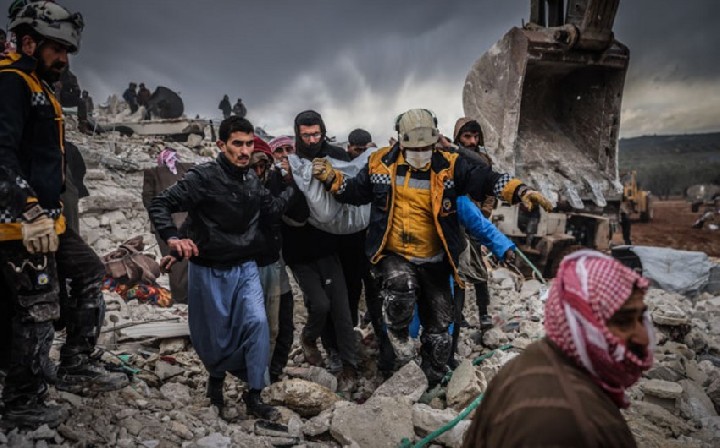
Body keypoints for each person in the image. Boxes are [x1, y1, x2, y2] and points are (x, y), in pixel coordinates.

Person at [312, 108, 552, 385]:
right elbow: (355, 192)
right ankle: (397, 338)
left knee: (440, 330)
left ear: (435, 141)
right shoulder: (380, 165)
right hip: (395, 254)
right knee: (400, 285)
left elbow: (486, 179)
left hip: (435, 259)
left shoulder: (450, 166)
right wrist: (332, 179)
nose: (421, 153)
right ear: (401, 142)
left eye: (426, 148)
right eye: (415, 148)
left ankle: (432, 379)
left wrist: (520, 190)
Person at [0, 1, 128, 428]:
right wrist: (28, 207)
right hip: (19, 225)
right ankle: (22, 400)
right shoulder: (11, 82)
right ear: (29, 42)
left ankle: (76, 362)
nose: (64, 59)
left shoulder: (38, 84)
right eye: (57, 49)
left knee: (89, 271)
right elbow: (1, 154)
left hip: (48, 221)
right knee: (38, 306)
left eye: (67, 51)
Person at [148, 116, 293, 420]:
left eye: (249, 144)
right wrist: (174, 241)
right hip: (208, 269)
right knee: (214, 335)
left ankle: (254, 393)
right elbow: (162, 204)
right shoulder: (203, 177)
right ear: (221, 145)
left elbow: (273, 211)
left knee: (257, 323)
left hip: (245, 267)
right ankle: (216, 379)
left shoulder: (252, 181)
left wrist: (294, 185)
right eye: (237, 144)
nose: (244, 150)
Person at [462, 251, 653, 447]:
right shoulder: (569, 425)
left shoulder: (534, 359)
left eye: (641, 319)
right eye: (623, 322)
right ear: (579, 323)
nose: (643, 337)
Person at [282, 110, 359, 392]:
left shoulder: (336, 156)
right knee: (320, 305)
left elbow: (352, 189)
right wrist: (290, 180)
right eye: (306, 135)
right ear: (298, 134)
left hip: (332, 245)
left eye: (316, 134)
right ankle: (326, 348)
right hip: (299, 249)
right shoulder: (290, 162)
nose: (312, 140)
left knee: (342, 308)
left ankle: (349, 365)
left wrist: (332, 179)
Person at [450, 117, 497, 334]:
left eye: (475, 136)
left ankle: (484, 313)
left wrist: (484, 213)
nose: (472, 141)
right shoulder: (451, 158)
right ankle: (456, 315)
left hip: (475, 221)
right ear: (458, 137)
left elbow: (491, 191)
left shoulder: (483, 160)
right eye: (467, 136)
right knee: (455, 269)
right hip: (453, 221)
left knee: (478, 269)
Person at [266, 134, 299, 382]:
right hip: (258, 264)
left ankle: (274, 371)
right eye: (279, 151)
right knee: (268, 324)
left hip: (279, 261)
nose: (285, 155)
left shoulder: (302, 177)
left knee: (284, 323)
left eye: (289, 149)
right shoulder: (265, 181)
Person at [142, 147, 193, 304]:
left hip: (165, 226)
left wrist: (158, 216)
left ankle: (180, 297)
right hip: (187, 221)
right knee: (187, 260)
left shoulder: (152, 172)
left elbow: (148, 198)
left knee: (173, 262)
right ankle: (190, 295)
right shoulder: (188, 168)